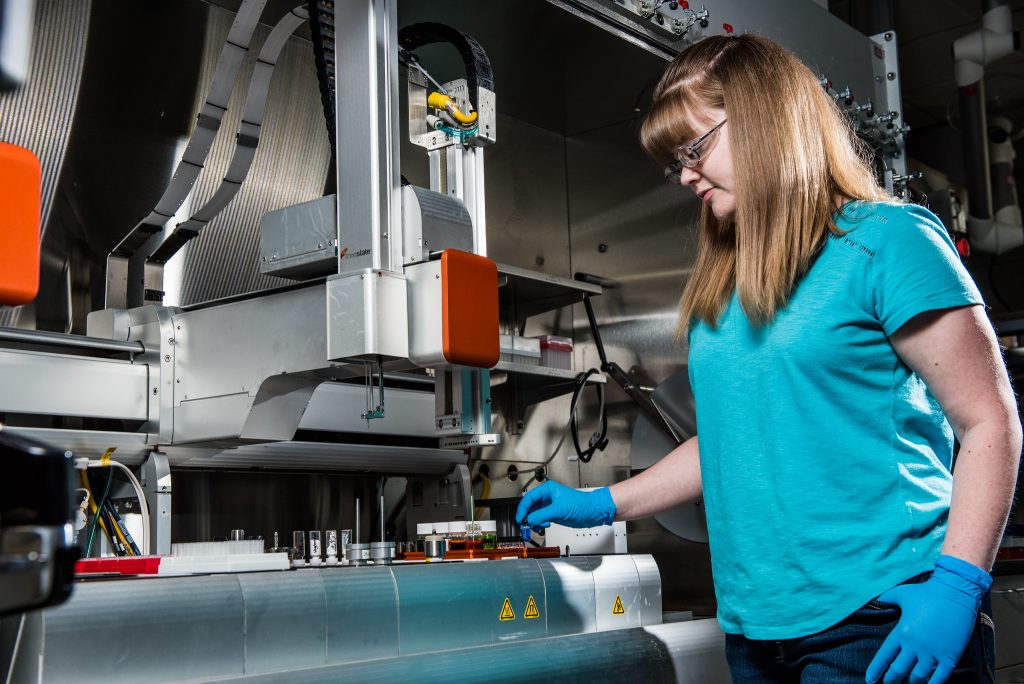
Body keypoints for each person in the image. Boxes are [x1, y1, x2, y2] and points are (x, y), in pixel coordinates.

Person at [517, 34, 1021, 684]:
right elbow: (727, 440)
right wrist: (602, 503)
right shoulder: (724, 291)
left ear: (765, 120)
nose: (686, 175)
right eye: (675, 163)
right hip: (756, 633)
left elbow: (989, 421)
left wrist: (956, 586)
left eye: (695, 149)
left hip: (880, 616)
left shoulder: (888, 243)